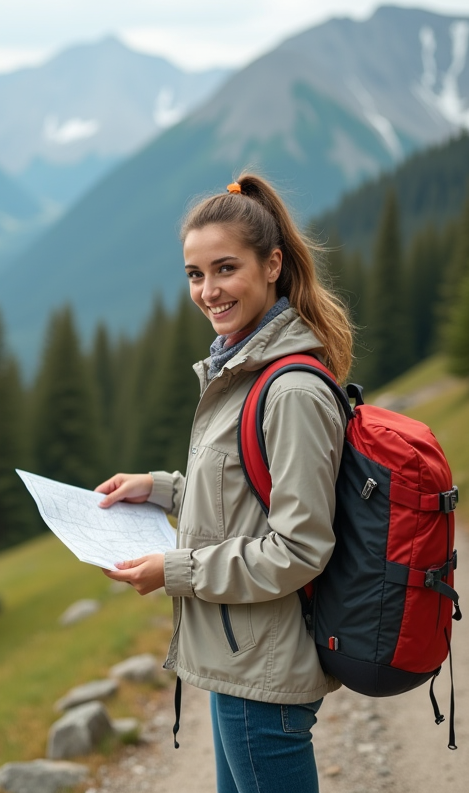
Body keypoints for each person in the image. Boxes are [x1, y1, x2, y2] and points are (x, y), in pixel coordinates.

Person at [96, 172, 354, 793]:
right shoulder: (240, 368)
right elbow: (242, 500)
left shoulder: (289, 391)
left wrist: (174, 570)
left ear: (273, 265)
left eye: (225, 269)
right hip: (236, 659)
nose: (208, 291)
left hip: (262, 670)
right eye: (194, 274)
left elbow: (299, 549)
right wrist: (159, 488)